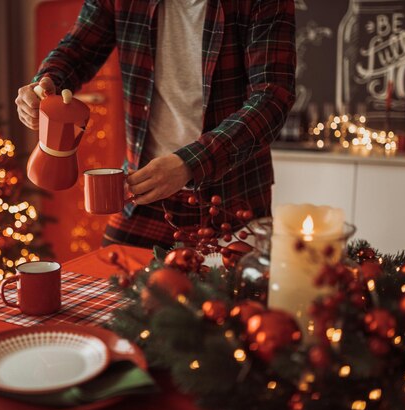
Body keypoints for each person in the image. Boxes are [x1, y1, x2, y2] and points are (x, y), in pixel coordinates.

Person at [15, 0, 296, 250]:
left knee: (232, 305)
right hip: (141, 193)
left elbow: (273, 98)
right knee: (113, 298)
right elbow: (76, 50)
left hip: (233, 196)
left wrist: (189, 164)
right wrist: (46, 82)